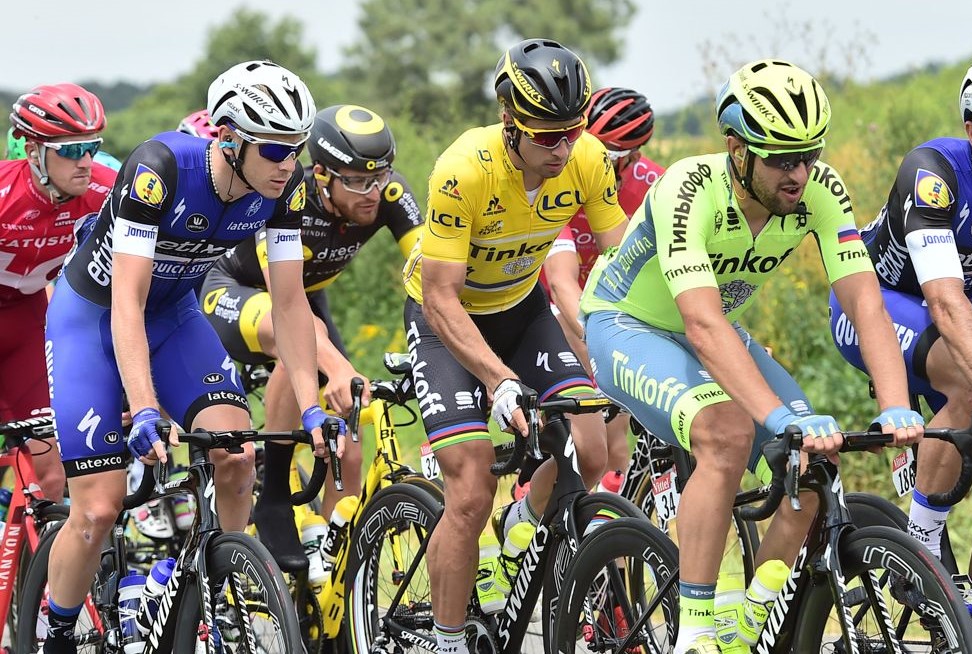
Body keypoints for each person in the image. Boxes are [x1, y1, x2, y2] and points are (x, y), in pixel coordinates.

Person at [581, 59, 923, 653]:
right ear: (737, 149)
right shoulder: (688, 187)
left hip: (710, 330)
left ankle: (749, 626)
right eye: (783, 159)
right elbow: (702, 322)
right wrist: (777, 416)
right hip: (628, 325)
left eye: (809, 156)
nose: (800, 174)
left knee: (815, 466)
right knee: (727, 433)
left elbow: (865, 300)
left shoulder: (819, 190)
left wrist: (896, 405)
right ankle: (695, 633)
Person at [42, 60, 337, 653]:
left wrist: (311, 407)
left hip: (176, 317)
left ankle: (222, 586)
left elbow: (289, 305)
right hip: (94, 319)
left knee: (237, 454)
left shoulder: (286, 186)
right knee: (98, 509)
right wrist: (146, 407)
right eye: (276, 149)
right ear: (230, 138)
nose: (288, 164)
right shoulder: (160, 170)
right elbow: (126, 302)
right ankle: (56, 633)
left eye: (296, 149)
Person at [400, 38, 627, 654]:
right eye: (546, 136)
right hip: (446, 319)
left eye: (571, 132)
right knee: (470, 488)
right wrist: (499, 380)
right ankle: (446, 639)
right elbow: (442, 298)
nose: (562, 148)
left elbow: (625, 264)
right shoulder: (463, 169)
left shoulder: (586, 158)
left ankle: (523, 523)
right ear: (510, 123)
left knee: (592, 444)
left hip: (522, 309)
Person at [200, 103, 423, 568]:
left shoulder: (387, 191)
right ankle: (276, 496)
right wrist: (338, 366)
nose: (373, 193)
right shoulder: (290, 191)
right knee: (299, 343)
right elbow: (287, 308)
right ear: (320, 174)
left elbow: (431, 273)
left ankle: (334, 571)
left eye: (379, 178)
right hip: (240, 288)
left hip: (308, 299)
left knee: (353, 447)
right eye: (358, 182)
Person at [830, 49, 972, 584]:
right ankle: (919, 548)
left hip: (959, 304)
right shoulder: (934, 173)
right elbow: (945, 302)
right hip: (878, 303)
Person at [539, 86, 665, 491]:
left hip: (608, 295)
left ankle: (613, 538)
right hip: (551, 295)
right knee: (595, 382)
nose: (590, 159)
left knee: (617, 443)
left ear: (632, 157)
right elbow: (560, 284)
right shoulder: (558, 177)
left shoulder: (652, 185)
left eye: (607, 154)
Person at [0, 83, 115, 503]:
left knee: (51, 476)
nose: (85, 161)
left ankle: (33, 568)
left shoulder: (106, 193)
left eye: (92, 146)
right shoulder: (5, 195)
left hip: (28, 323)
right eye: (69, 150)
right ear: (33, 152)